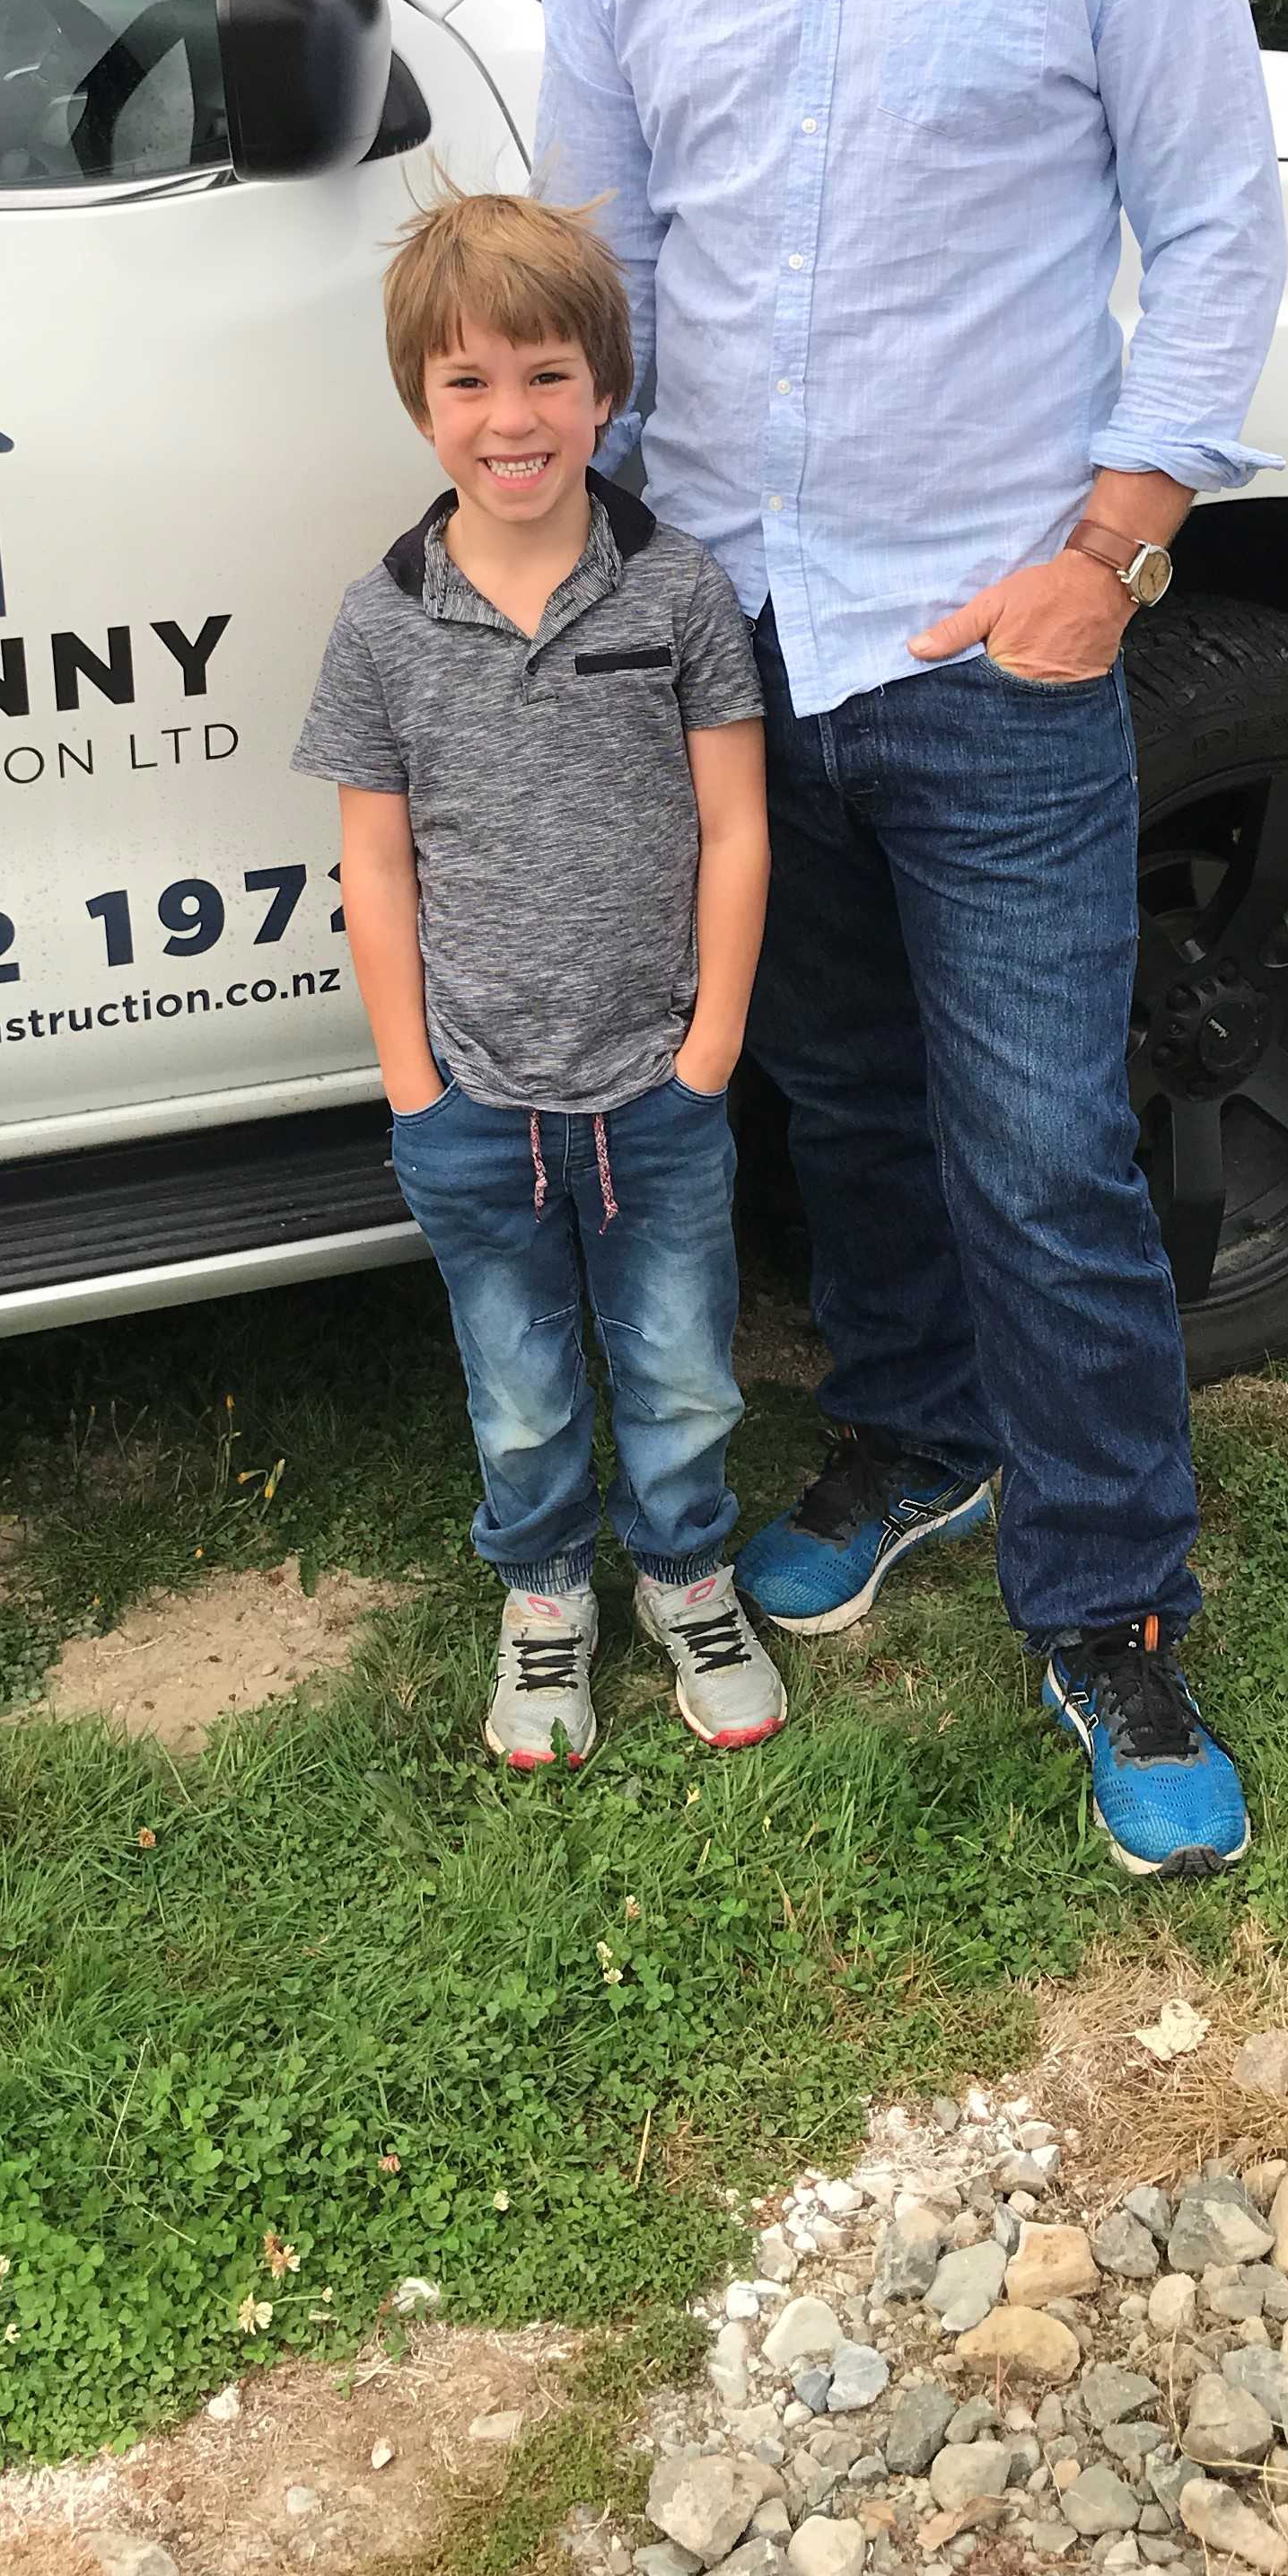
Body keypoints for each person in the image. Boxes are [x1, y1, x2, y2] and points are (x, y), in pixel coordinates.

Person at [534, 0, 1287, 1875]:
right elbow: (596, 272)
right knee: (838, 1098)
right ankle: (920, 1441)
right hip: (738, 631)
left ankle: (1114, 1597)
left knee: (1048, 1145)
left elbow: (1213, 231)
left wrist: (1116, 545)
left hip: (994, 628)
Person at [292, 187, 784, 1769]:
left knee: (684, 1370)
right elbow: (376, 865)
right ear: (421, 401)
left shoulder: (680, 590)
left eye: (547, 376)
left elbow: (735, 829)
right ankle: (547, 1600)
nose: (512, 420)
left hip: (657, 1088)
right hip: (474, 1097)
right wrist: (412, 1085)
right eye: (469, 383)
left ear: (606, 388)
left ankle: (688, 1576)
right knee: (517, 1385)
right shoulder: (381, 624)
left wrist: (709, 1056)